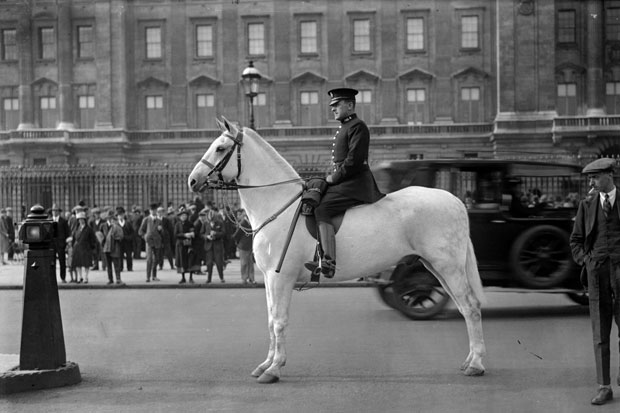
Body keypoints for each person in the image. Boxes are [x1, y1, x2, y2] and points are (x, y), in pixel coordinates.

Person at [304, 88, 384, 278]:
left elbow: (354, 161)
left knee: (322, 208)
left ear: (349, 105)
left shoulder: (358, 126)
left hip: (355, 182)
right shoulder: (346, 127)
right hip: (347, 180)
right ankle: (317, 254)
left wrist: (334, 178)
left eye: (337, 105)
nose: (333, 109)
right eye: (332, 105)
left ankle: (329, 261)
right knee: (313, 198)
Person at [570, 157, 620, 406]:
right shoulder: (587, 205)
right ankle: (604, 386)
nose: (591, 182)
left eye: (595, 177)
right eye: (590, 178)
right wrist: (586, 261)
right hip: (597, 273)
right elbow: (575, 240)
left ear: (609, 176)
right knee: (600, 333)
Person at [139, 203, 163, 282]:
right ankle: (148, 276)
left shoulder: (159, 220)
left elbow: (162, 232)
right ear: (150, 211)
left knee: (156, 259)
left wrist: (160, 230)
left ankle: (154, 276)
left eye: (155, 210)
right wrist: (145, 237)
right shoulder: (146, 219)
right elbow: (141, 231)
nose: (154, 211)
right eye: (152, 210)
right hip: (149, 242)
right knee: (149, 259)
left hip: (157, 241)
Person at [70, 210, 96, 283]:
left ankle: (86, 277)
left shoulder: (89, 229)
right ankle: (80, 277)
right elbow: (74, 238)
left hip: (86, 248)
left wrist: (91, 247)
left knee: (86, 263)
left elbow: (93, 239)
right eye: (80, 219)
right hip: (77, 248)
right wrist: (73, 246)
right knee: (78, 263)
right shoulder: (76, 228)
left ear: (85, 220)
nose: (81, 221)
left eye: (82, 219)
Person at [201, 207, 226, 283]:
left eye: (212, 220)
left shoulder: (220, 223)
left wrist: (216, 234)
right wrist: (206, 236)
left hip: (218, 245)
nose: (211, 221)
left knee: (219, 263)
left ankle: (221, 277)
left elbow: (223, 233)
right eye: (210, 220)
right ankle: (209, 279)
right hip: (209, 246)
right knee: (209, 263)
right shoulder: (205, 223)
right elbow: (201, 233)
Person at [102, 210, 124, 285]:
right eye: (109, 218)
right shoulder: (103, 226)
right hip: (107, 248)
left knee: (116, 264)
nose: (111, 220)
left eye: (112, 219)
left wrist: (116, 237)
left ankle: (118, 279)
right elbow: (101, 236)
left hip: (115, 247)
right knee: (109, 265)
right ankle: (110, 279)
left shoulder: (117, 227)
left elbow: (121, 237)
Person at [233, 209, 255, 284]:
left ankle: (251, 278)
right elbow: (236, 235)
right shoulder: (243, 223)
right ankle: (244, 278)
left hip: (250, 245)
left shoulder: (251, 223)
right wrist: (238, 243)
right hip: (243, 246)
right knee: (244, 263)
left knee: (250, 263)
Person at [50, 204, 70, 283]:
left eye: (56, 211)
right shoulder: (49, 221)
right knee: (52, 262)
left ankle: (63, 277)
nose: (54, 212)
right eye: (53, 211)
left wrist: (66, 242)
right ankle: (52, 278)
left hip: (61, 244)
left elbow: (67, 232)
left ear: (59, 212)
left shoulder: (63, 221)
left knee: (62, 261)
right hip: (52, 244)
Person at [174, 207, 195, 284]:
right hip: (180, 245)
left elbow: (193, 231)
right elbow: (175, 234)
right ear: (180, 217)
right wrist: (184, 235)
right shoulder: (177, 224)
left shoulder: (190, 223)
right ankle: (183, 278)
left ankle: (191, 277)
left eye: (185, 215)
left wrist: (192, 234)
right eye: (182, 216)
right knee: (182, 261)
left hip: (189, 245)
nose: (184, 217)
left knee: (190, 261)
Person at [115, 206, 134, 272]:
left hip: (127, 242)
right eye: (119, 215)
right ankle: (120, 267)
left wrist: (128, 238)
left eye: (122, 215)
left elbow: (132, 233)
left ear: (124, 215)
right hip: (119, 242)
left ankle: (130, 267)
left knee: (129, 255)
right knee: (120, 255)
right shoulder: (115, 224)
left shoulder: (128, 223)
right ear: (117, 216)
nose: (120, 216)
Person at [158, 206, 175, 270]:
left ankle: (171, 265)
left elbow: (170, 229)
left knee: (168, 252)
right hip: (159, 238)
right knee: (160, 252)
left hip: (166, 238)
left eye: (161, 212)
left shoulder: (166, 220)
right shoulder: (155, 220)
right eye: (159, 212)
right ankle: (160, 265)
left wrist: (170, 237)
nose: (160, 213)